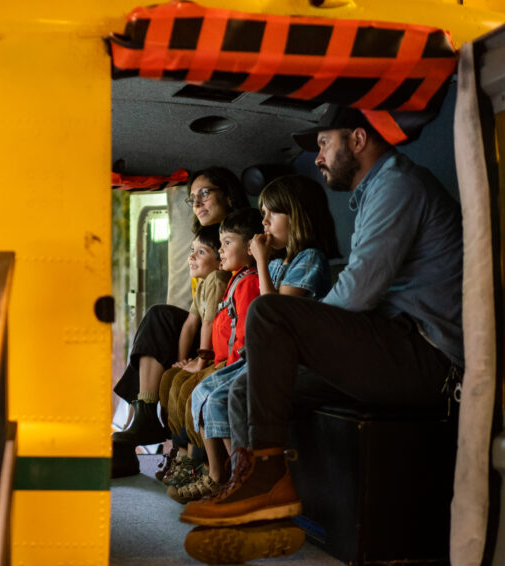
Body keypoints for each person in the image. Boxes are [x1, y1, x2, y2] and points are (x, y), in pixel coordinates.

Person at [180, 106, 463, 539]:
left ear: (358, 140)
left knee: (270, 311)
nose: (318, 157)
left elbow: (358, 293)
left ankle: (267, 480)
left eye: (323, 144)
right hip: (392, 342)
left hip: (428, 356)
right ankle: (259, 511)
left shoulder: (398, 185)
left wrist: (301, 333)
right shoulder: (374, 193)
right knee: (241, 390)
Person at [168, 175, 339, 503]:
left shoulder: (309, 260)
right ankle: (224, 476)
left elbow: (273, 312)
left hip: (293, 357)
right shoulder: (277, 263)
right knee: (206, 390)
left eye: (271, 215)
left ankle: (242, 479)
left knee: (225, 397)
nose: (264, 223)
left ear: (295, 216)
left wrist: (260, 260)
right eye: (261, 215)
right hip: (263, 354)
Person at [112, 167, 247, 477]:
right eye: (191, 198)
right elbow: (195, 315)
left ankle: (145, 419)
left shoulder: (239, 236)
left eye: (204, 194)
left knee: (160, 316)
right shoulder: (202, 246)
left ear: (228, 196)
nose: (197, 203)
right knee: (159, 320)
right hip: (207, 325)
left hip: (226, 329)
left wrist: (201, 356)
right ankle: (142, 416)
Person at [161, 207, 263, 498]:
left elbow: (243, 334)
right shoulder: (234, 279)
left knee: (204, 392)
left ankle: (222, 472)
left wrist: (213, 362)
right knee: (189, 387)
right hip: (224, 361)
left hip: (234, 363)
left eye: (227, 243)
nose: (222, 250)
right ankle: (206, 465)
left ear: (250, 245)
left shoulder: (248, 282)